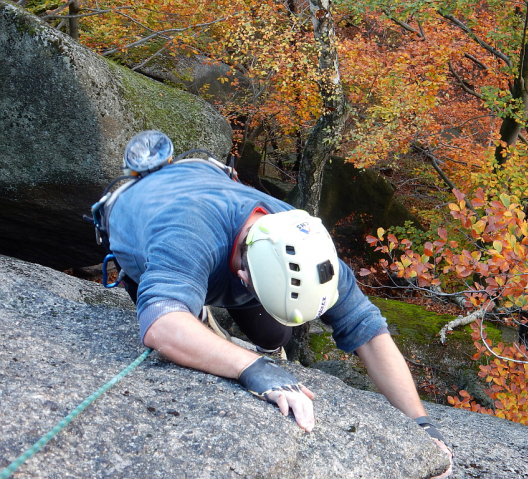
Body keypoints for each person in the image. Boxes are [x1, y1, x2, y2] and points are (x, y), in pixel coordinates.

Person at [102, 131, 452, 477]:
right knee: (186, 327)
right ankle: (193, 300)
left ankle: (202, 308)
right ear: (244, 278)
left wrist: (421, 425)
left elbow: (369, 331)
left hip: (207, 189)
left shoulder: (304, 240)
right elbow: (161, 324)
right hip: (139, 213)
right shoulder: (188, 237)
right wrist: (252, 368)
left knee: (274, 335)